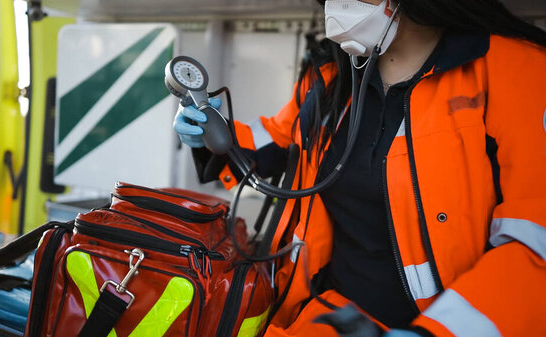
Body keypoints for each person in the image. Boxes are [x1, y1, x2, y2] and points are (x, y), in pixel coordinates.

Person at [174, 0, 546, 336]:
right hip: (321, 321)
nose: (339, 5)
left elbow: (535, 245)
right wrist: (211, 131)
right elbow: (279, 141)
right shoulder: (330, 77)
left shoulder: (519, 70)